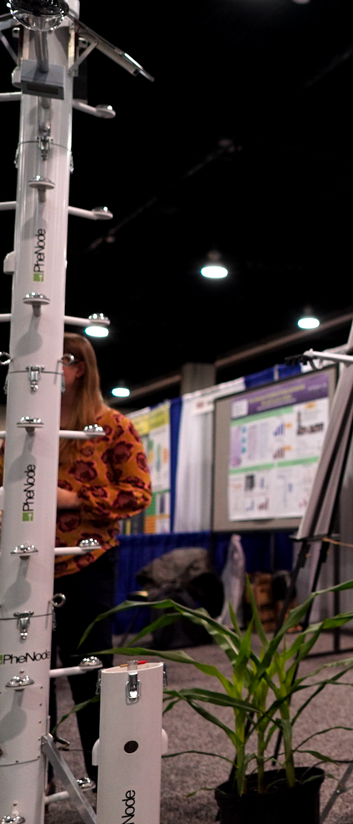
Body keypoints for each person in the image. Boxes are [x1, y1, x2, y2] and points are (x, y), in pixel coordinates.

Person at [0, 333, 151, 782]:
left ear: (77, 367)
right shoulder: (21, 430)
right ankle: (29, 780)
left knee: (90, 675)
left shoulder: (113, 426)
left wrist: (73, 499)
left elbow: (138, 493)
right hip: (23, 565)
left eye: (52, 363)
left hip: (87, 564)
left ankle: (105, 780)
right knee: (26, 675)